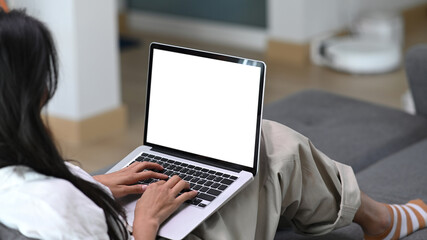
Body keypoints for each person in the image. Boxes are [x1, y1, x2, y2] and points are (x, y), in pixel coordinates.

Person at [0, 9, 426, 240]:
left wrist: (92, 184)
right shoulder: (52, 206)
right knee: (273, 145)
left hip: (115, 217)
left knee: (238, 156)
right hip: (143, 231)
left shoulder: (17, 178)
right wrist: (147, 220)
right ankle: (380, 220)